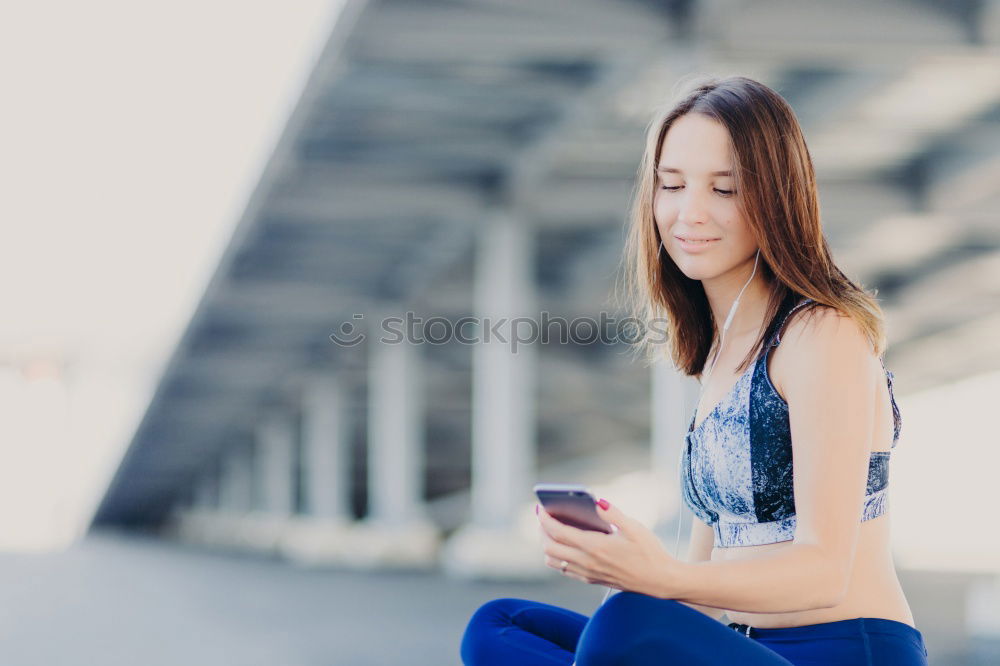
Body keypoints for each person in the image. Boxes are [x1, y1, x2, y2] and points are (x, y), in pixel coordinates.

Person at [459, 75, 929, 665]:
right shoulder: (721, 355)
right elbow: (703, 587)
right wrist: (628, 567)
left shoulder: (822, 332)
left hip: (837, 650)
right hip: (739, 647)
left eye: (725, 189)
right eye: (672, 185)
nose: (690, 212)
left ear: (776, 198)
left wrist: (659, 578)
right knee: (499, 627)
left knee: (628, 624)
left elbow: (823, 571)